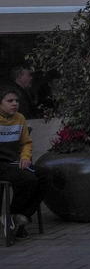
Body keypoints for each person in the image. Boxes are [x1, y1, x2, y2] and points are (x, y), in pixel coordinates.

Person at [0, 85, 51, 242]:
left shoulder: (20, 118)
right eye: (9, 101)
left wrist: (25, 157)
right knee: (28, 179)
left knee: (45, 175)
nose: (15, 104)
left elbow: (26, 143)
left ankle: (19, 218)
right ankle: (13, 220)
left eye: (16, 101)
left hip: (13, 162)